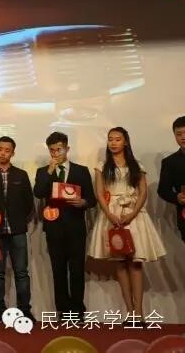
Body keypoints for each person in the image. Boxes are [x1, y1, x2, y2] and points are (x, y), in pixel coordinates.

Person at [87, 127, 166, 323]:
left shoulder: (136, 165)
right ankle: (129, 312)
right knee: (120, 263)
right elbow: (99, 193)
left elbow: (143, 192)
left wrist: (132, 213)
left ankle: (139, 313)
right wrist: (109, 214)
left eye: (117, 139)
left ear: (126, 142)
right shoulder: (102, 166)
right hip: (111, 215)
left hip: (134, 215)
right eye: (110, 139)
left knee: (136, 263)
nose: (113, 143)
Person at [33, 132, 96, 320]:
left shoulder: (81, 171)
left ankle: (78, 310)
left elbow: (92, 199)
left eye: (59, 149)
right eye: (52, 150)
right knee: (58, 269)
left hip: (76, 227)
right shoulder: (43, 172)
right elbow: (38, 192)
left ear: (67, 149)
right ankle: (63, 309)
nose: (55, 153)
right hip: (54, 227)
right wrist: (49, 171)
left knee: (76, 269)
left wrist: (83, 202)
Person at [0, 136, 35, 324]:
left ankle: (25, 310)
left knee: (21, 272)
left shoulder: (21, 175)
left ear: (12, 153)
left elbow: (29, 203)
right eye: (0, 149)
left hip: (17, 231)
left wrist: (20, 220)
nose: (3, 153)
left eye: (7, 150)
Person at [157, 116, 185, 242]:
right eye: (179, 134)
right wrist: (176, 197)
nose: (183, 137)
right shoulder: (169, 162)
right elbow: (163, 190)